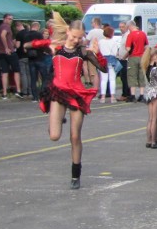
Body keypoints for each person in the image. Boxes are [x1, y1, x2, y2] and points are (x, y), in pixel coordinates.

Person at [36, 13, 107, 189]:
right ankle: (55, 117)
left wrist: (98, 54)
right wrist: (45, 43)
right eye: (74, 36)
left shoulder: (83, 51)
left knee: (75, 136)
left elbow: (103, 68)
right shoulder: (57, 48)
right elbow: (29, 46)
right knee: (54, 136)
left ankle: (76, 174)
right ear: (68, 32)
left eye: (80, 37)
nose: (76, 40)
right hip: (58, 91)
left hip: (76, 93)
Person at [141, 46, 157, 149]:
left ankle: (150, 139)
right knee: (156, 118)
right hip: (156, 93)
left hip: (148, 93)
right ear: (154, 57)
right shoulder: (156, 69)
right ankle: (154, 141)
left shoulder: (147, 68)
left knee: (151, 118)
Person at [0, 14, 24, 99]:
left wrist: (0, 46)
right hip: (9, 52)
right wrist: (6, 47)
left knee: (4, 72)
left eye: (11, 19)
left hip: (1, 52)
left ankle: (4, 93)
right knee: (16, 70)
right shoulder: (6, 27)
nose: (10, 20)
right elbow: (2, 35)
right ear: (4, 19)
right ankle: (18, 90)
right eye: (9, 19)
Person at [124, 20, 148, 102]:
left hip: (133, 57)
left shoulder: (130, 35)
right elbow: (146, 46)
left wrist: (126, 53)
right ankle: (142, 95)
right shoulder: (143, 34)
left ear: (130, 26)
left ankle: (133, 95)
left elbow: (128, 48)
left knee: (132, 75)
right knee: (141, 75)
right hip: (142, 57)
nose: (128, 29)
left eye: (128, 28)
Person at [97, 25, 121, 103]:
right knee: (112, 79)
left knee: (103, 80)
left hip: (103, 60)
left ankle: (103, 97)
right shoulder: (114, 42)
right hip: (112, 61)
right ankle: (113, 97)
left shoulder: (100, 41)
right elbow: (115, 53)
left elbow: (98, 51)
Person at [117, 21, 132, 101]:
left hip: (125, 59)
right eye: (120, 27)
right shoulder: (123, 36)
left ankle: (126, 94)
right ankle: (126, 93)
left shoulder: (127, 36)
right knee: (123, 77)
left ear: (126, 27)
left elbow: (128, 48)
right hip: (121, 58)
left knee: (125, 77)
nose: (121, 29)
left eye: (122, 27)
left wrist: (124, 56)